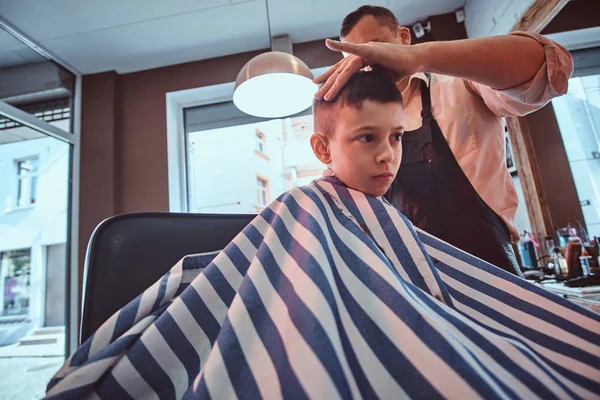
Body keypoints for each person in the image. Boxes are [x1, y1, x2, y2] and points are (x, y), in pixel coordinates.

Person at [46, 69, 600, 400]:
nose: (388, 156)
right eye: (365, 138)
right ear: (321, 149)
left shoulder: (382, 215)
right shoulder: (305, 209)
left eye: (398, 137)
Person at [314, 5, 574, 275]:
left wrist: (419, 57)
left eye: (374, 49)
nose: (368, 64)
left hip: (490, 273)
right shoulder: (351, 137)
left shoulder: (459, 84)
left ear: (404, 37)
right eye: (357, 58)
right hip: (410, 288)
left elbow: (550, 64)